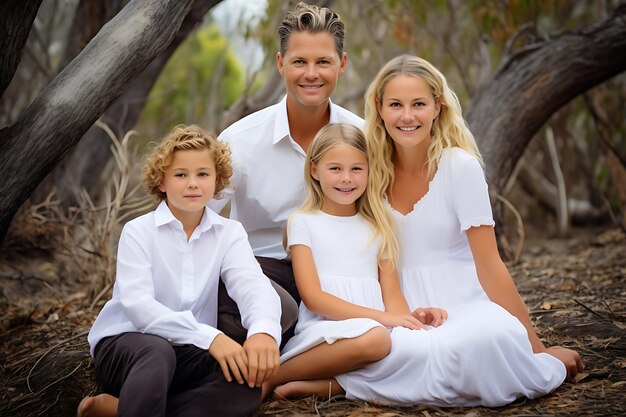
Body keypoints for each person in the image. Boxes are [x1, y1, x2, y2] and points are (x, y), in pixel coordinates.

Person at [333, 55, 584, 407]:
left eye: (418, 104)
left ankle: (350, 383)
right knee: (395, 346)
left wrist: (537, 350)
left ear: (437, 106)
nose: (407, 116)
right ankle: (350, 380)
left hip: (464, 302)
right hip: (396, 303)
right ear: (379, 107)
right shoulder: (367, 170)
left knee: (487, 341)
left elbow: (489, 264)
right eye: (396, 105)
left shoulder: (459, 168)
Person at [77, 125, 281, 417]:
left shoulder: (229, 233)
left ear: (218, 180)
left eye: (203, 174)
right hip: (128, 344)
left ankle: (121, 410)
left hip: (188, 348)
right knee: (157, 353)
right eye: (180, 175)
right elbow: (140, 308)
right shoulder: (139, 231)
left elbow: (252, 285)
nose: (193, 184)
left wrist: (263, 332)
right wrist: (211, 337)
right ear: (161, 181)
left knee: (245, 381)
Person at [209, 2, 364, 345]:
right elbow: (199, 220)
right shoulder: (240, 141)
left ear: (342, 64)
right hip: (262, 272)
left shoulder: (365, 138)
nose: (312, 73)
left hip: (339, 275)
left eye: (323, 61)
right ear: (281, 64)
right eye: (299, 62)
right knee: (258, 313)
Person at [261, 123, 447, 399]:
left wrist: (410, 320)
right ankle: (275, 375)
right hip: (328, 329)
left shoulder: (380, 225)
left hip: (378, 328)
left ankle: (332, 386)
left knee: (426, 347)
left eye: (357, 169)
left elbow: (392, 295)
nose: (346, 178)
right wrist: (383, 320)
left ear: (370, 170)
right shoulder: (303, 222)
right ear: (315, 170)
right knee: (376, 340)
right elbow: (313, 298)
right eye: (335, 169)